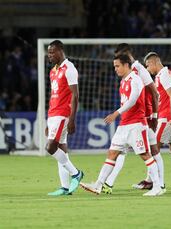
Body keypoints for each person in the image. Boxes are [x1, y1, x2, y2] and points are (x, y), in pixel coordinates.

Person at [80, 54, 163, 196]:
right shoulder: (124, 81)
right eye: (114, 66)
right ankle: (98, 185)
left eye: (117, 66)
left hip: (136, 124)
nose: (115, 69)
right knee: (112, 153)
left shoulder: (135, 79)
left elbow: (132, 100)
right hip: (124, 125)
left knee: (145, 155)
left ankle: (157, 187)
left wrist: (116, 113)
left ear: (126, 65)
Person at [102, 43, 163, 193]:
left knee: (152, 152)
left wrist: (154, 115)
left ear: (128, 54)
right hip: (132, 117)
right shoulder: (125, 75)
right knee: (120, 151)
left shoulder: (139, 70)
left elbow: (155, 93)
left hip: (144, 116)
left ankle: (159, 184)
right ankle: (107, 183)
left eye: (121, 55)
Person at [144, 52, 171, 189]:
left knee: (154, 148)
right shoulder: (164, 74)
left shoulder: (163, 75)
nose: (147, 69)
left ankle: (154, 181)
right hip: (167, 116)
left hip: (167, 117)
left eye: (147, 65)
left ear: (154, 62)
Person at [46, 40, 84, 196]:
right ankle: (65, 187)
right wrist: (47, 119)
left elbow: (75, 95)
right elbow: (53, 95)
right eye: (48, 52)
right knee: (61, 149)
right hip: (53, 114)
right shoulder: (53, 71)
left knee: (50, 148)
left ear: (60, 50)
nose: (49, 55)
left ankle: (76, 173)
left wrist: (72, 119)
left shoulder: (69, 68)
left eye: (52, 52)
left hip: (63, 114)